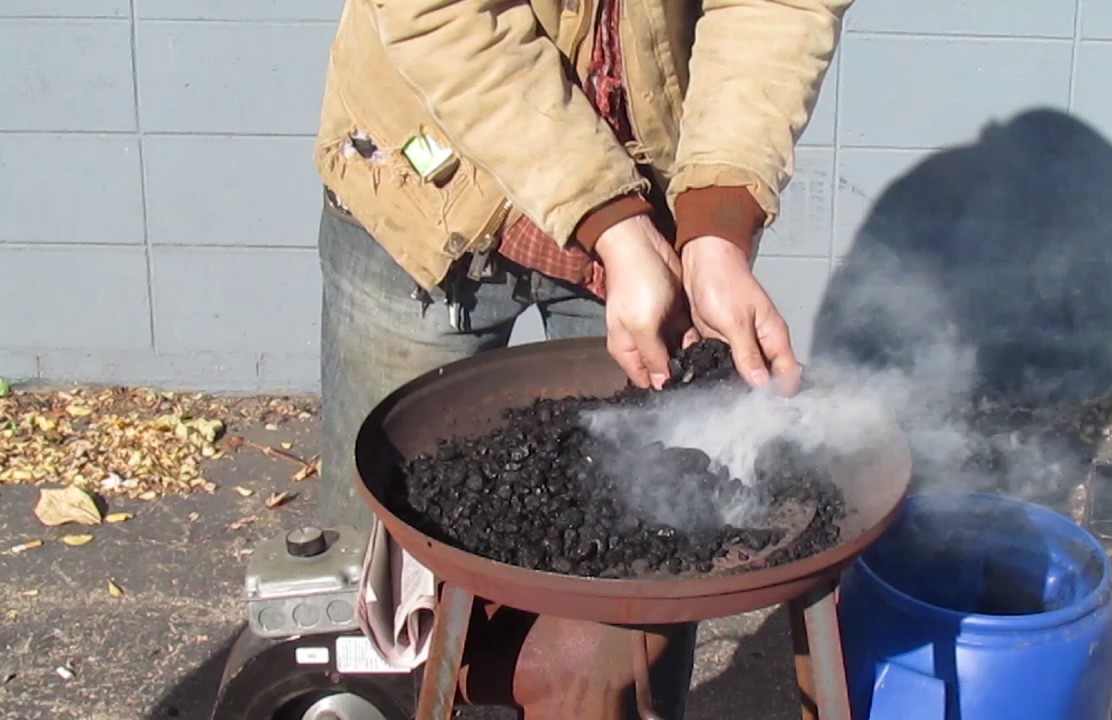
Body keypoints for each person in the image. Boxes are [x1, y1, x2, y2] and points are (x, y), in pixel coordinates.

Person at [314, 0, 847, 530]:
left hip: (647, 218)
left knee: (647, 522)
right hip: (429, 186)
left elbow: (775, 7)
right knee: (380, 529)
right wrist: (609, 219)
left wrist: (716, 226)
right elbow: (440, 12)